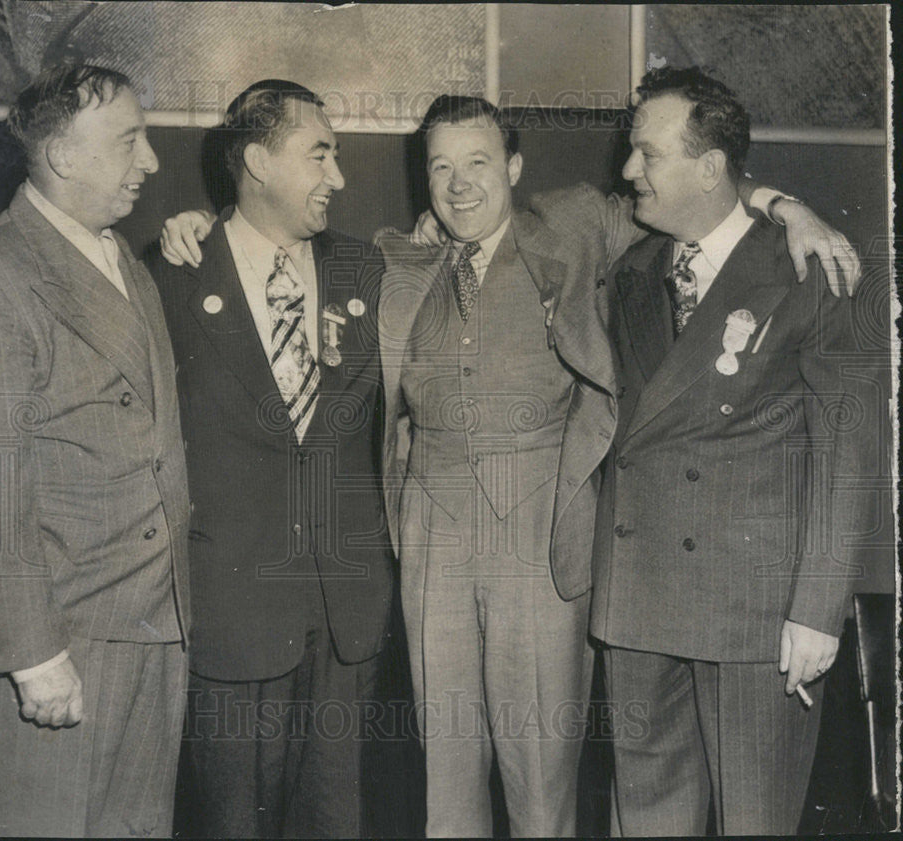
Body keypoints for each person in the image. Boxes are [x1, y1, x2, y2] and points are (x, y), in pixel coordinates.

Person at [159, 96, 859, 838]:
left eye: (479, 164)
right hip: (432, 537)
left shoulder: (578, 223)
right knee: (445, 771)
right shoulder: (395, 258)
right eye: (441, 167)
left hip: (539, 539)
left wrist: (785, 205)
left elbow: (699, 192)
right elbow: (274, 253)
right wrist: (201, 222)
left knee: (540, 776)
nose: (460, 185)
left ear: (516, 168)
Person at [583, 66, 872, 835]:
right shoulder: (636, 268)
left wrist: (818, 608)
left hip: (759, 615)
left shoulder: (806, 268)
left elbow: (847, 452)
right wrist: (779, 197)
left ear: (710, 168)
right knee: (648, 820)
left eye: (647, 154)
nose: (627, 170)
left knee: (756, 822)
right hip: (639, 600)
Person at [0, 64, 189, 837]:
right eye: (130, 142)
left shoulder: (122, 262)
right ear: (63, 156)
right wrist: (35, 655)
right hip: (62, 639)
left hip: (153, 622)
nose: (150, 162)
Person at [149, 80, 392, 838]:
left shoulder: (368, 270)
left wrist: (772, 206)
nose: (339, 178)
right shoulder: (170, 275)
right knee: (231, 821)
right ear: (256, 159)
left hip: (346, 613)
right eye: (320, 154)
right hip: (233, 607)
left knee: (338, 817)